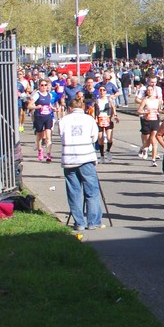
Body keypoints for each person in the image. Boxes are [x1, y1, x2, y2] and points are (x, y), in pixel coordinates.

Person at [58, 97, 103, 232]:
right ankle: (93, 222)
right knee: (91, 191)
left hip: (70, 159)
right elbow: (94, 137)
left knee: (74, 192)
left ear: (69, 108)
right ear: (82, 107)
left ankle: (79, 223)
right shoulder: (89, 119)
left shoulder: (63, 120)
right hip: (86, 157)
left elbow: (61, 135)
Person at [28, 79, 58, 163]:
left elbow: (49, 104)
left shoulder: (49, 95)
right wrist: (36, 107)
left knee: (48, 137)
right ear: (39, 86)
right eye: (42, 85)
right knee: (39, 136)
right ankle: (40, 150)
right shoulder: (37, 95)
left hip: (48, 117)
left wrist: (53, 108)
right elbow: (29, 106)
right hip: (39, 117)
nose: (44, 87)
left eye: (45, 85)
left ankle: (48, 154)